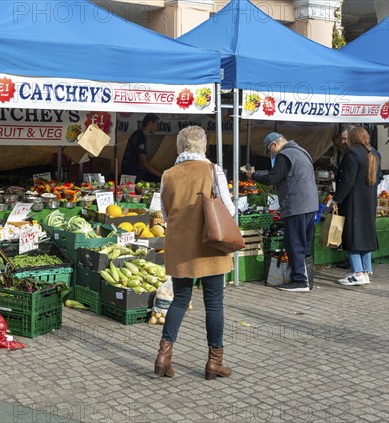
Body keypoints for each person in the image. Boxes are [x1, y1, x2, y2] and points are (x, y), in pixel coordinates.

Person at [154, 126, 234, 380]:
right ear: (203, 146)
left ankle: (163, 356)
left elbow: (165, 214)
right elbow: (229, 210)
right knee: (214, 304)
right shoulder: (213, 170)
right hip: (210, 245)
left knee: (179, 300)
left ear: (179, 147)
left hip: (179, 245)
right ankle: (214, 362)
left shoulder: (168, 174)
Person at [245, 132, 318, 292]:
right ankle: (307, 278)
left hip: (297, 204)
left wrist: (253, 175)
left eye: (269, 149)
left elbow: (272, 178)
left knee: (294, 242)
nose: (270, 153)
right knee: (304, 243)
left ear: (275, 145)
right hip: (310, 204)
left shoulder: (284, 155)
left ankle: (300, 280)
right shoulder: (301, 151)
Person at [332, 127, 381, 286]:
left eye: (347, 139)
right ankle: (365, 271)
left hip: (353, 202)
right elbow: (378, 178)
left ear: (354, 138)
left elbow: (347, 181)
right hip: (369, 201)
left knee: (351, 236)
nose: (345, 141)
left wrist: (336, 199)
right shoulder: (375, 153)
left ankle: (357, 273)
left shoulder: (352, 154)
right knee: (365, 235)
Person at [120, 113, 162, 182]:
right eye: (156, 124)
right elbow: (143, 162)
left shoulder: (139, 135)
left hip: (130, 174)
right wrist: (160, 174)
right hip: (131, 176)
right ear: (150, 123)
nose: (157, 127)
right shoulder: (140, 136)